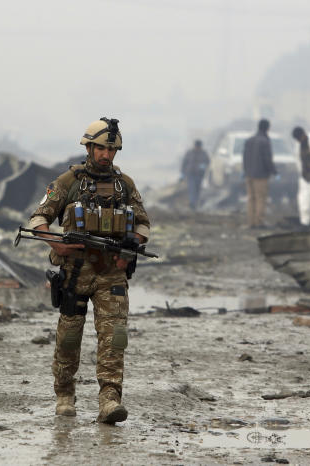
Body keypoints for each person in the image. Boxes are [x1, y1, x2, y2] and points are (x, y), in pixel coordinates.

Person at [25, 117, 151, 424]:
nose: (106, 155)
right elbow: (38, 219)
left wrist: (132, 245)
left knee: (115, 337)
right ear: (89, 147)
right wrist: (57, 245)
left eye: (111, 150)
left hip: (112, 275)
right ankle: (65, 394)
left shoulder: (125, 185)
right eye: (101, 149)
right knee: (69, 337)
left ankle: (110, 399)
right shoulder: (69, 182)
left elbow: (144, 223)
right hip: (75, 272)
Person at [243, 119, 277, 227]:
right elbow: (267, 159)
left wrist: (246, 171)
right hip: (261, 176)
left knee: (251, 198)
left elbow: (244, 158)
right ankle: (259, 222)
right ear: (267, 128)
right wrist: (274, 171)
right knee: (260, 198)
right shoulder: (265, 141)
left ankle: (251, 222)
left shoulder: (249, 140)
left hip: (249, 175)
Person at [180, 139, 210, 210]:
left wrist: (204, 166)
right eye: (196, 146)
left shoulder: (204, 153)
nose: (197, 148)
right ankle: (192, 204)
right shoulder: (190, 153)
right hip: (190, 174)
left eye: (198, 146)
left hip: (199, 175)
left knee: (197, 190)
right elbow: (184, 163)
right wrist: (182, 173)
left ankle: (195, 203)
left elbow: (208, 162)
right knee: (192, 189)